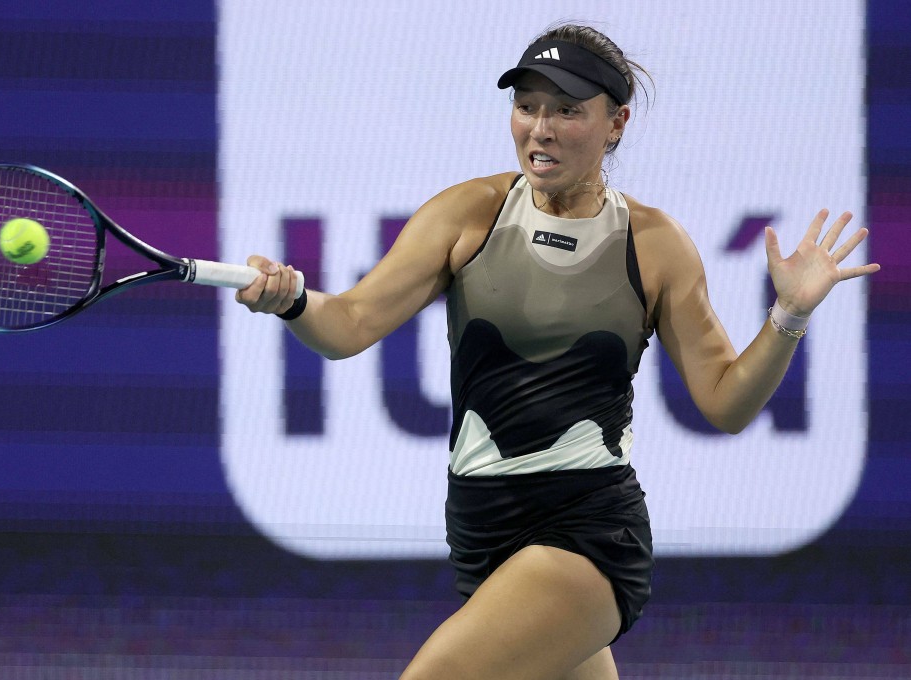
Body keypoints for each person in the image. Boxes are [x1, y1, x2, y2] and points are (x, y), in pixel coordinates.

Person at [234, 22, 880, 680]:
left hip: (588, 531)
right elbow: (349, 324)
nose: (540, 129)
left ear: (616, 123)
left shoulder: (655, 244)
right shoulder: (467, 213)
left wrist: (789, 314)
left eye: (567, 110)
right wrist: (292, 300)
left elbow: (725, 403)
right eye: (527, 106)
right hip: (481, 536)